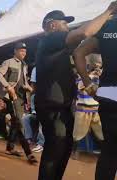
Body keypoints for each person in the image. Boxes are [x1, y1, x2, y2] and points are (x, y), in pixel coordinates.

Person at [36, 4, 117, 180]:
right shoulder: (51, 39)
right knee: (54, 151)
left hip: (63, 106)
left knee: (64, 149)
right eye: (64, 23)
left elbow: (79, 51)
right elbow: (84, 33)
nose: (67, 27)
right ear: (52, 25)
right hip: (53, 107)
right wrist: (109, 11)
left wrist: (88, 84)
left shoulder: (57, 47)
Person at [74, 10, 117, 180]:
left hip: (108, 92)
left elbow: (78, 53)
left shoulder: (107, 27)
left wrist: (88, 84)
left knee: (109, 150)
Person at [0, 42, 37, 164]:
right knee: (19, 123)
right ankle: (28, 153)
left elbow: (22, 81)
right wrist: (8, 86)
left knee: (15, 123)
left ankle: (10, 148)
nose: (23, 53)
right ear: (15, 51)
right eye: (21, 51)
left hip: (20, 98)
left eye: (25, 51)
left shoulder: (24, 65)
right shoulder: (8, 62)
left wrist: (28, 88)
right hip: (10, 97)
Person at [72, 55, 104, 159]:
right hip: (82, 108)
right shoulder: (81, 76)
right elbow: (80, 86)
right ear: (88, 65)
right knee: (78, 133)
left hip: (96, 108)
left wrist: (99, 76)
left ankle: (104, 153)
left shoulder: (100, 77)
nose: (97, 68)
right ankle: (75, 153)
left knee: (100, 132)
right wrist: (91, 75)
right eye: (95, 66)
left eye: (99, 66)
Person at [22, 67, 45, 153]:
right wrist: (34, 112)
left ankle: (41, 144)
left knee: (42, 119)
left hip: (45, 114)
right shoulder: (33, 97)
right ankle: (29, 139)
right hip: (36, 113)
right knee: (25, 118)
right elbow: (33, 110)